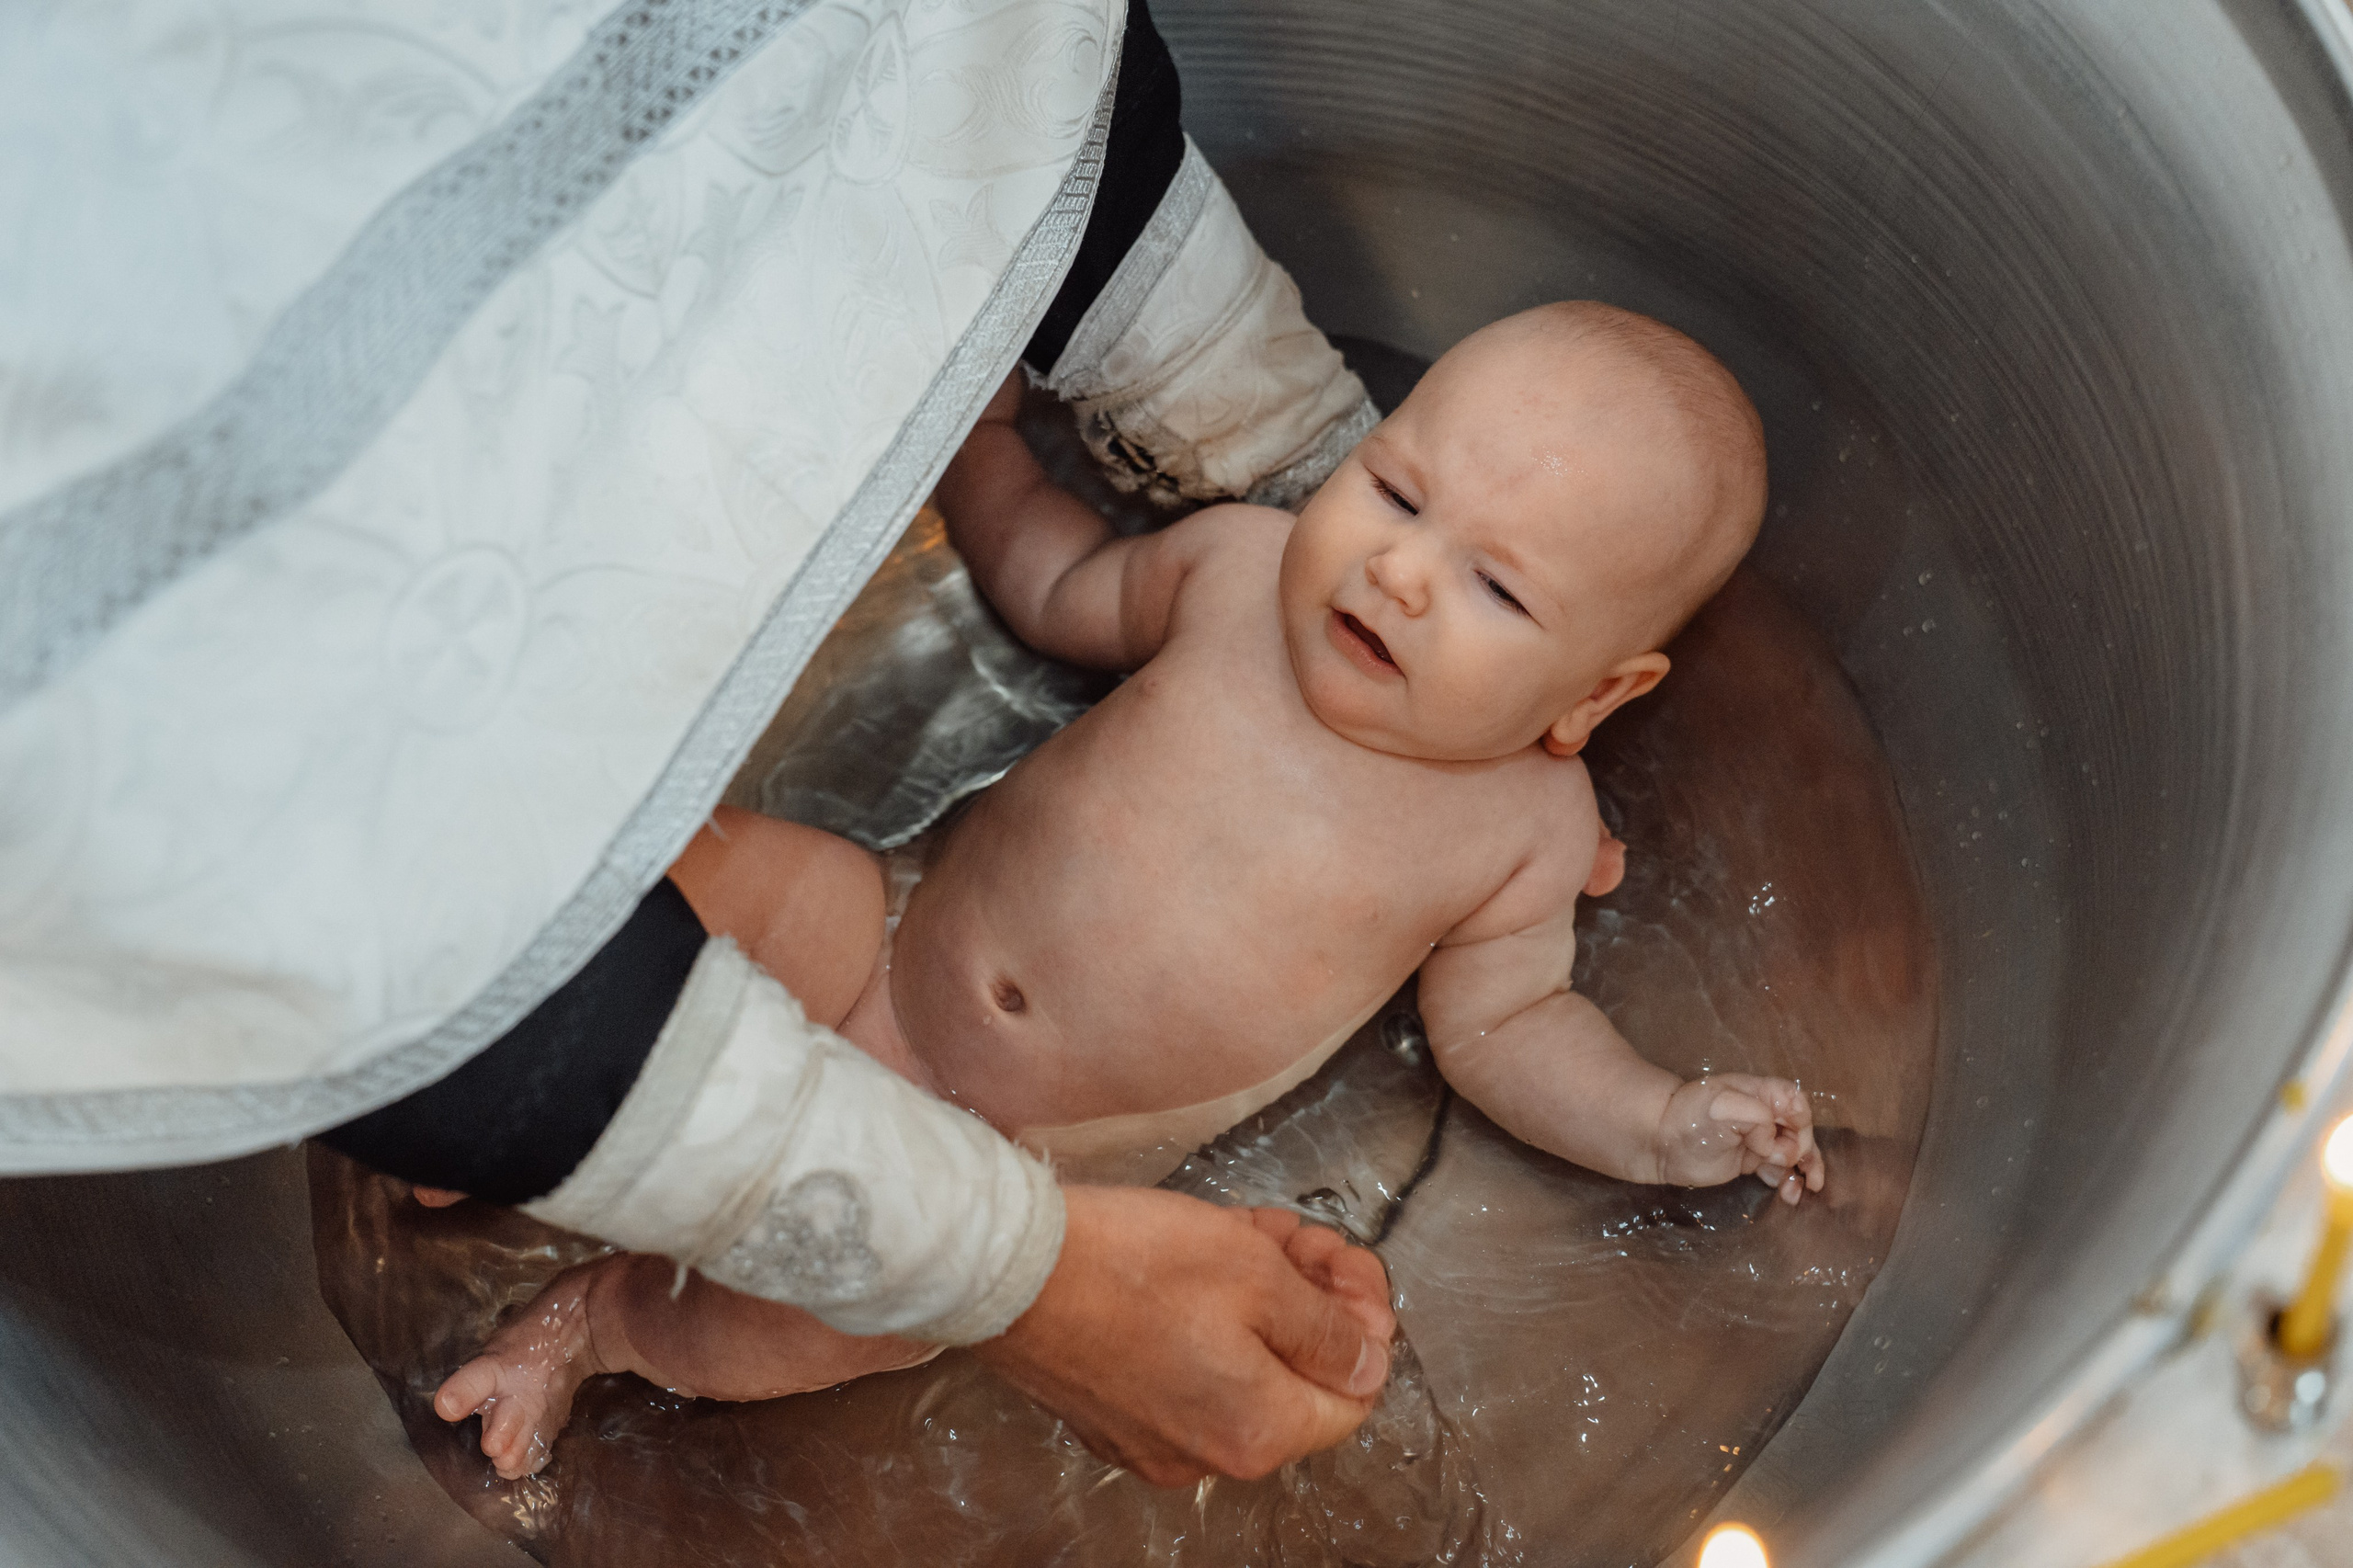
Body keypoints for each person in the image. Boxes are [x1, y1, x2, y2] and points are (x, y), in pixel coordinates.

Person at [426, 301, 1823, 1480]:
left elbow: (1512, 1033)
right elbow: (1054, 578)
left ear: (1597, 693)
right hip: (885, 941)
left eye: (1497, 590)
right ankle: (484, 1048)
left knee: (786, 1325)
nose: (1398, 570)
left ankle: (589, 1322)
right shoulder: (1240, 573)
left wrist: (1658, 1120)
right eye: (1396, 490)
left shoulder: (1522, 828)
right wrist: (978, 448)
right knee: (717, 870)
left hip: (1020, 1177)